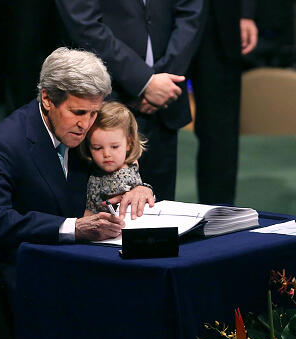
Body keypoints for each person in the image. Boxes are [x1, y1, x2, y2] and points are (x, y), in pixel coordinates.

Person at [0, 47, 155, 299]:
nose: (86, 124)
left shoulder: (85, 119)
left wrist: (139, 188)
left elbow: (117, 155)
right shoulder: (5, 143)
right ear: (47, 99)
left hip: (75, 264)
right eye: (78, 113)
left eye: (93, 114)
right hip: (16, 278)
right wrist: (73, 227)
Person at [54, 0, 204, 201]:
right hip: (105, 98)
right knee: (105, 219)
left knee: (161, 214)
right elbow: (83, 22)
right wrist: (145, 82)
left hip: (166, 98)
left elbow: (191, 12)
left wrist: (164, 80)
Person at [190, 0, 257, 204]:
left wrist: (245, 12)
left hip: (218, 14)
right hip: (155, 15)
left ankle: (219, 216)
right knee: (153, 118)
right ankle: (147, 216)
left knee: (219, 128)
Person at [81, 101, 151, 216]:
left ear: (129, 143)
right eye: (97, 148)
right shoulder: (92, 169)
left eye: (114, 147)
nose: (107, 154)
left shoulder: (125, 177)